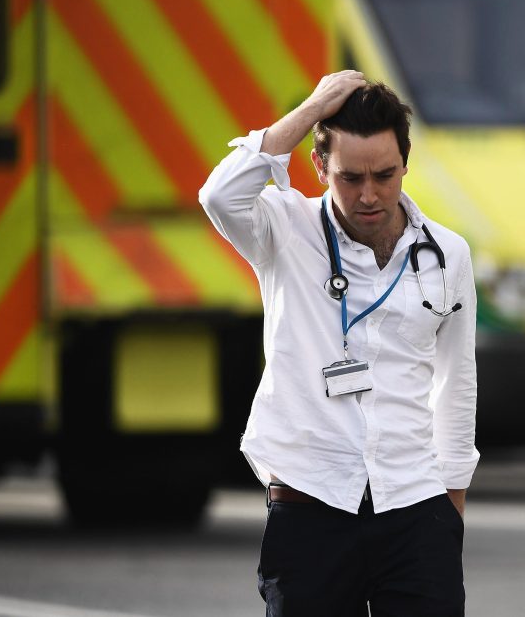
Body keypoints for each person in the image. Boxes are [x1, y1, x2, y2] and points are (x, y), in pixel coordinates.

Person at [199, 70, 479, 616]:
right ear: (319, 166)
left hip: (416, 505)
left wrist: (452, 506)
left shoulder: (448, 254)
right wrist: (313, 108)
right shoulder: (283, 227)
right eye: (350, 178)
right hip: (311, 501)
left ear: (405, 163)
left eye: (385, 174)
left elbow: (456, 381)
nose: (369, 195)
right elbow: (219, 195)